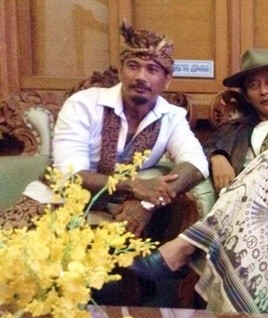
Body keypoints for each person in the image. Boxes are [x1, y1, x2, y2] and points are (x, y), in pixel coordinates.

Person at [130, 49, 268, 314]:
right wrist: (217, 156)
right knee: (250, 231)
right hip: (243, 218)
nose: (263, 91)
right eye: (254, 85)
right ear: (246, 94)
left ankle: (187, 244)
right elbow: (200, 151)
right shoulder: (233, 131)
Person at [0, 22, 209, 236]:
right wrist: (132, 185)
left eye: (152, 69)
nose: (140, 76)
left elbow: (197, 164)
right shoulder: (83, 104)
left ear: (167, 80)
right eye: (133, 66)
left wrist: (149, 204)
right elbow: (69, 174)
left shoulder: (172, 117)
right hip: (53, 204)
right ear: (120, 71)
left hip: (120, 216)